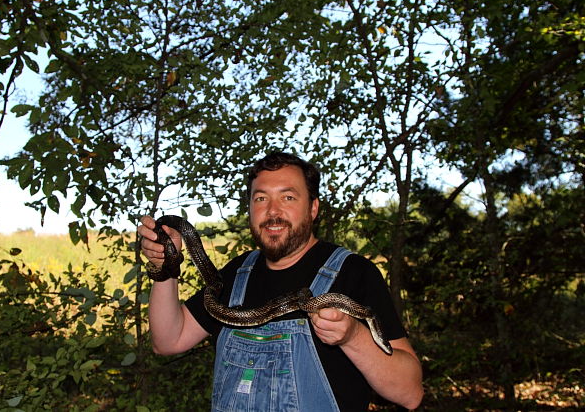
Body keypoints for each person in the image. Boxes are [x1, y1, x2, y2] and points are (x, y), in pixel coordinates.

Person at [138, 152, 423, 411]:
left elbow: (410, 394)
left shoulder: (354, 273)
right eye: (261, 198)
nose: (273, 211)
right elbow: (168, 341)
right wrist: (165, 268)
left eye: (288, 197)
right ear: (250, 208)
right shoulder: (237, 274)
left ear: (313, 208)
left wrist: (354, 337)